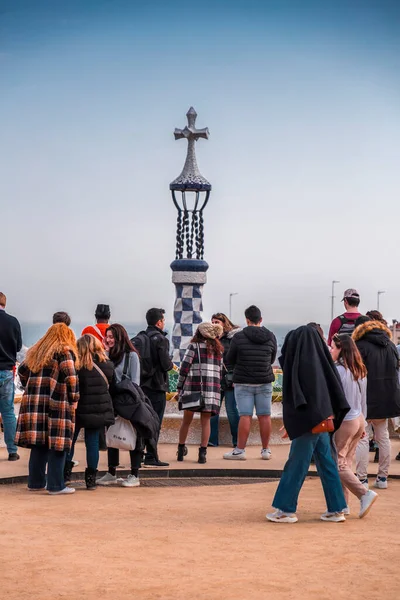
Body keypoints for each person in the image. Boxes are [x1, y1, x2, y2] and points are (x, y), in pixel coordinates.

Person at [266, 325, 350, 523]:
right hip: (323, 420)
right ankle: (337, 508)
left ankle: (286, 510)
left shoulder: (301, 366)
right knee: (326, 463)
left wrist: (293, 422)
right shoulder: (323, 364)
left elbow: (297, 396)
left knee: (296, 463)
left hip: (308, 421)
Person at [16, 323, 79, 494]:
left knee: (39, 444)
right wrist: (74, 398)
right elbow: (71, 377)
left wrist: (29, 386)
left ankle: (35, 483)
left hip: (34, 403)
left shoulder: (37, 351)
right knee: (58, 443)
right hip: (56, 402)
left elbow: (21, 370)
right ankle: (56, 485)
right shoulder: (65, 351)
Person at [330, 334, 378, 517]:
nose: (331, 350)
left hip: (345, 420)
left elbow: (335, 399)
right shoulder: (359, 369)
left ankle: (364, 494)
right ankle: (344, 505)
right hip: (357, 419)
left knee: (337, 464)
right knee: (346, 463)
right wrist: (364, 423)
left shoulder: (339, 371)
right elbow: (363, 399)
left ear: (341, 349)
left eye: (333, 347)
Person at [223, 305, 277, 461]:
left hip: (243, 381)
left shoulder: (239, 337)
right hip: (264, 380)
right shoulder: (271, 336)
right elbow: (272, 358)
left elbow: (230, 359)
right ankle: (266, 450)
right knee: (265, 415)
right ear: (261, 319)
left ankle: (240, 451)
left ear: (247, 320)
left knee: (245, 415)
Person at [353, 318, 400, 489]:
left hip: (365, 398)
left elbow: (354, 372)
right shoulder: (390, 345)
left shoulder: (360, 346)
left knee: (362, 438)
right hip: (387, 397)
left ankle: (362, 479)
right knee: (383, 438)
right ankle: (382, 478)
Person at [64, 335, 115, 490]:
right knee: (92, 443)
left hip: (78, 409)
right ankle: (91, 478)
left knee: (70, 441)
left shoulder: (77, 365)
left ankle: (65, 474)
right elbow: (111, 385)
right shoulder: (107, 365)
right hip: (98, 410)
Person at [97, 323, 143, 487]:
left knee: (134, 435)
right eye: (107, 337)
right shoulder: (108, 355)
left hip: (128, 400)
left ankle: (134, 473)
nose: (108, 340)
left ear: (119, 337)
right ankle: (111, 472)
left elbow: (135, 382)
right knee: (112, 435)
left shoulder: (131, 356)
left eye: (111, 337)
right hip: (112, 400)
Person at [176, 322, 223, 464]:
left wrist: (179, 387)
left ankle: (181, 449)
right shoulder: (218, 350)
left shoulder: (194, 346)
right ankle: (202, 453)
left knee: (186, 421)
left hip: (193, 389)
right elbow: (219, 371)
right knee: (206, 422)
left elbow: (184, 368)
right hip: (211, 391)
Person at [134, 308, 173, 468]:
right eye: (163, 320)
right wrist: (170, 363)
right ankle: (151, 456)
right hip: (157, 386)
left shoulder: (139, 337)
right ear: (159, 322)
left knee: (142, 421)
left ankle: (139, 453)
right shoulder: (161, 340)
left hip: (141, 386)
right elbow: (165, 365)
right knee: (155, 421)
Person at [209, 313, 240, 447]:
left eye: (217, 322)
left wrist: (236, 377)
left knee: (231, 410)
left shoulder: (232, 338)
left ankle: (237, 441)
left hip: (230, 379)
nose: (214, 324)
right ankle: (212, 440)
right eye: (213, 322)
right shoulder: (210, 339)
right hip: (214, 379)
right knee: (212, 411)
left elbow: (238, 359)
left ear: (224, 323)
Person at [0, 292, 22, 461]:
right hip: (7, 371)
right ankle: (12, 451)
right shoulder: (13, 321)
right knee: (8, 412)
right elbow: (19, 345)